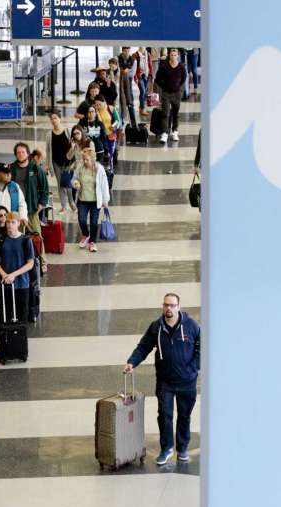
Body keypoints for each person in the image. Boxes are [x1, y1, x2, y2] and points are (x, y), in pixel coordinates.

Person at [124, 293, 201, 466]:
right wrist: (132, 362)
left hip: (187, 382)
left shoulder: (191, 326)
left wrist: (194, 366)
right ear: (163, 306)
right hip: (165, 382)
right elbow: (143, 347)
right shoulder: (156, 327)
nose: (169, 308)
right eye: (166, 305)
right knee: (165, 415)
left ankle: (182, 448)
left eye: (172, 305)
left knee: (184, 416)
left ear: (179, 307)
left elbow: (202, 346)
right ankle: (166, 448)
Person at [0, 212, 35, 350]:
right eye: (8, 222)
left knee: (21, 316)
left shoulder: (25, 240)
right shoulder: (0, 240)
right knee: (6, 315)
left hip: (22, 284)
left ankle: (21, 346)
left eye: (13, 222)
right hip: (5, 284)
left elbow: (30, 263)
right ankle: (5, 346)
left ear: (18, 223)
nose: (9, 225)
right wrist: (4, 275)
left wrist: (13, 275)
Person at [10, 142, 50, 273]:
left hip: (32, 209)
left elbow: (45, 188)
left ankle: (43, 261)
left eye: (23, 152)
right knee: (16, 235)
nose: (20, 154)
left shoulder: (36, 168)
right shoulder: (11, 168)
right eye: (18, 152)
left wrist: (41, 204)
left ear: (27, 153)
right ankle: (20, 261)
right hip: (15, 210)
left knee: (37, 235)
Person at [71, 148, 110, 253]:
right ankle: (86, 234)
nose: (84, 161)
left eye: (87, 159)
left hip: (95, 200)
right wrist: (75, 183)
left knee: (93, 222)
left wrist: (105, 200)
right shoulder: (80, 168)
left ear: (93, 159)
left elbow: (104, 185)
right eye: (83, 159)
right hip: (82, 199)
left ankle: (92, 242)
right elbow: (74, 178)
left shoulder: (99, 169)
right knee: (82, 220)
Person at [154, 48, 187, 143]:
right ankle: (165, 133)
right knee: (165, 113)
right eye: (171, 55)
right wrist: (164, 86)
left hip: (177, 94)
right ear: (169, 55)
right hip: (166, 94)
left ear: (178, 56)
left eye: (175, 55)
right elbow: (158, 79)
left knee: (175, 114)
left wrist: (179, 90)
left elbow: (183, 79)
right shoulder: (164, 67)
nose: (173, 56)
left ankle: (175, 131)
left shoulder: (181, 67)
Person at [0, 162, 28, 229]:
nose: (9, 175)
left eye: (9, 173)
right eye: (5, 173)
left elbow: (22, 203)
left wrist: (23, 217)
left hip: (11, 225)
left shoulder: (15, 187)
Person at [46, 113, 74, 218]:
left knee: (68, 183)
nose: (53, 120)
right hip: (56, 163)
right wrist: (48, 164)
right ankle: (63, 206)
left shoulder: (67, 131)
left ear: (59, 119)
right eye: (51, 118)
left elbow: (73, 144)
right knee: (60, 184)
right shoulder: (49, 134)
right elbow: (48, 150)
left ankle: (72, 203)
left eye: (55, 118)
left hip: (67, 162)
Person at [116, 48, 138, 128]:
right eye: (125, 51)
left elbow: (132, 74)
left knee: (130, 103)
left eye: (128, 51)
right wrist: (123, 71)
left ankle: (134, 124)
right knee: (121, 103)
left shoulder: (133, 60)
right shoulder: (118, 58)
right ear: (122, 51)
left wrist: (126, 71)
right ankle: (121, 123)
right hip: (120, 85)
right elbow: (117, 70)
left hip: (128, 85)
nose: (126, 53)